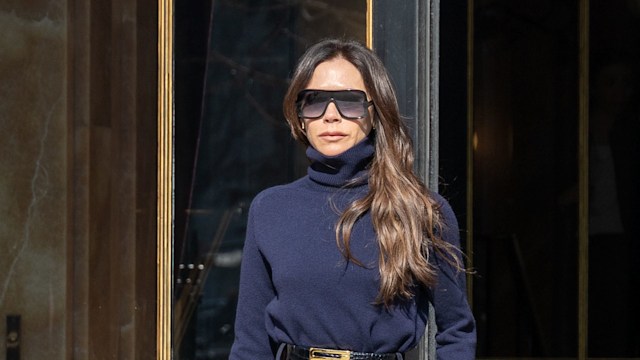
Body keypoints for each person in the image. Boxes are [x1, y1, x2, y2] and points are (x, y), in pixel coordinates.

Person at [229, 38, 476, 360]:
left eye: (350, 101)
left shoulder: (420, 211)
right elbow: (251, 342)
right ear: (300, 114)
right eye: (314, 101)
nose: (331, 115)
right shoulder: (271, 209)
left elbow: (457, 330)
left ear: (376, 111)